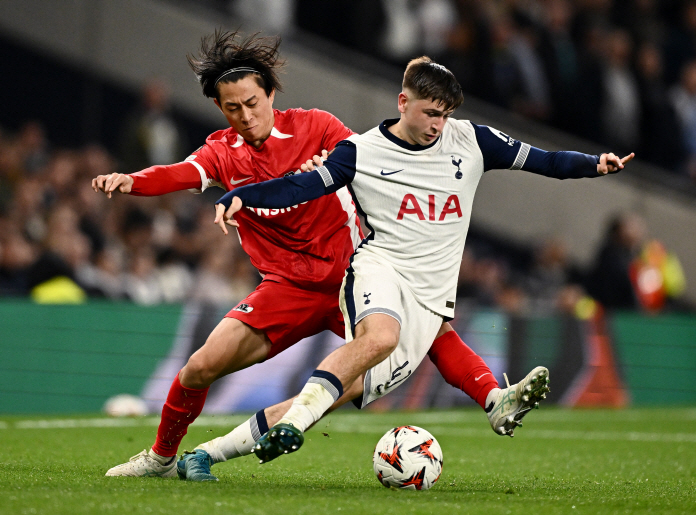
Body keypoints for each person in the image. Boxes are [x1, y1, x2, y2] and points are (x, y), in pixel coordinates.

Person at [92, 31, 508, 480]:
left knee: (430, 331)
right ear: (219, 108)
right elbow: (181, 172)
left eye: (253, 102)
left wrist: (334, 169)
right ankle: (161, 457)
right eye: (233, 108)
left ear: (271, 93)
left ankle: (495, 398)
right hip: (287, 288)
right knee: (200, 367)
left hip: (354, 276)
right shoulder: (221, 153)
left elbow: (373, 161)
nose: (246, 116)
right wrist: (134, 180)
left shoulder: (318, 128)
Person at [211, 56, 633, 466]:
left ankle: (210, 453)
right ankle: (297, 426)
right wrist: (240, 196)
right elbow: (298, 189)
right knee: (379, 338)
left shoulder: (472, 140)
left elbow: (546, 161)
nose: (438, 125)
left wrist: (594, 164)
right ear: (402, 102)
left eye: (445, 114)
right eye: (430, 112)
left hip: (429, 289)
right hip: (378, 269)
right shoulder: (360, 152)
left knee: (361, 378)